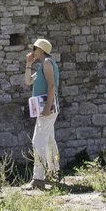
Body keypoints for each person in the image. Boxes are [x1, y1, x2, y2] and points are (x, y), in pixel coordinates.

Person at [23, 38, 60, 190]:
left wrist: (47, 107)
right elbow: (27, 82)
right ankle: (53, 173)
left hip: (47, 108)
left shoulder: (47, 63)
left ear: (42, 50)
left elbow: (52, 86)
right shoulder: (41, 66)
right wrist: (28, 65)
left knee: (37, 141)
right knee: (49, 141)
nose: (32, 52)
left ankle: (38, 179)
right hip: (47, 108)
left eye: (35, 49)